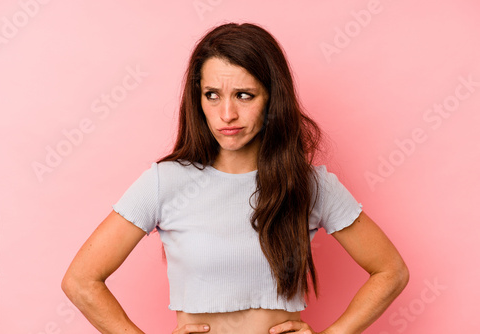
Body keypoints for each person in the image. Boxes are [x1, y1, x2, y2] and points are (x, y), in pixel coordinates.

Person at [61, 22, 409, 334]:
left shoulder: (307, 184)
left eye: (245, 95)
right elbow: (80, 281)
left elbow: (391, 271)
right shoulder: (164, 182)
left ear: (273, 98)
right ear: (197, 100)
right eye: (212, 95)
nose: (227, 114)